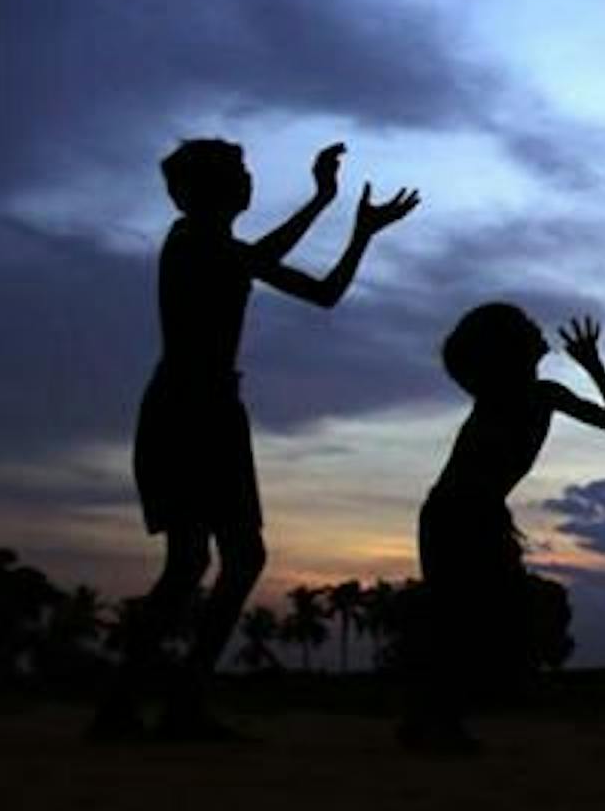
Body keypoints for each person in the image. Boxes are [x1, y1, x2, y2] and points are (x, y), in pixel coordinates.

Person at [93, 140, 419, 741]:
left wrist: (359, 231)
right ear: (206, 190)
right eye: (240, 173)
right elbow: (265, 259)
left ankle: (150, 704)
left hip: (207, 410)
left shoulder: (219, 248)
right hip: (190, 411)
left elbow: (324, 294)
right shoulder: (193, 240)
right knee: (217, 561)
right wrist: (322, 201)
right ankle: (159, 704)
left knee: (204, 562)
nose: (249, 181)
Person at [399, 307, 605, 754]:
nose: (536, 329)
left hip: (474, 515)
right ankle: (437, 722)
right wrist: (591, 365)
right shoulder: (501, 394)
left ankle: (431, 719)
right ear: (511, 351)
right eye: (526, 328)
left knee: (470, 620)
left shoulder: (544, 394)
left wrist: (594, 365)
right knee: (463, 620)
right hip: (457, 516)